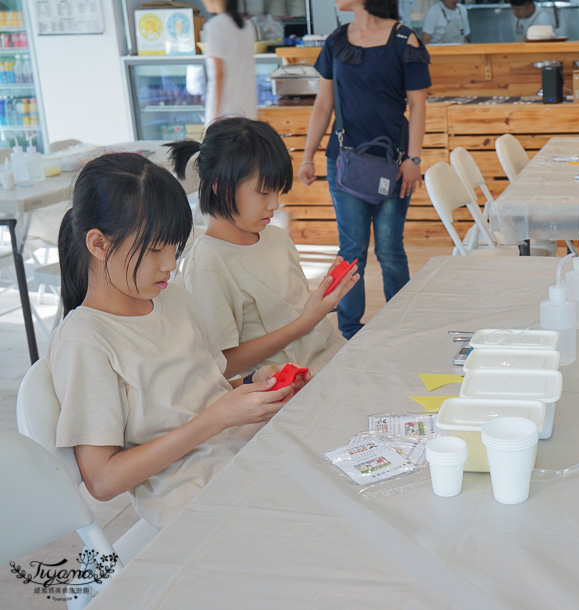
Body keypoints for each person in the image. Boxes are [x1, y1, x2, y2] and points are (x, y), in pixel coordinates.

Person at [49, 153, 303, 529]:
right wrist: (215, 420)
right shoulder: (85, 340)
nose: (170, 264)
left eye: (175, 248)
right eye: (154, 250)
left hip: (247, 455)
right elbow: (103, 481)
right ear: (99, 245)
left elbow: (199, 396)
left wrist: (253, 387)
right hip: (198, 501)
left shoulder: (174, 296)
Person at [168, 117, 359, 377]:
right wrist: (306, 322)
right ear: (220, 187)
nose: (275, 204)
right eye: (264, 192)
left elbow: (289, 313)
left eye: (278, 192)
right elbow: (221, 367)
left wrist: (321, 299)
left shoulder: (276, 239)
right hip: (293, 388)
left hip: (335, 358)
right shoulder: (207, 263)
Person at [298, 0, 430, 340]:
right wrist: (308, 155)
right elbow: (324, 104)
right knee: (351, 249)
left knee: (389, 249)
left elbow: (418, 105)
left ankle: (402, 325)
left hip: (394, 164)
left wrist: (413, 159)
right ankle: (350, 330)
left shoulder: (404, 40)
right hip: (344, 161)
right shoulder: (336, 41)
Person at [202, 0, 257, 125]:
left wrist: (215, 116)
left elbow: (219, 74)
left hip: (224, 110)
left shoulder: (215, 26)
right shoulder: (247, 26)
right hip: (247, 107)